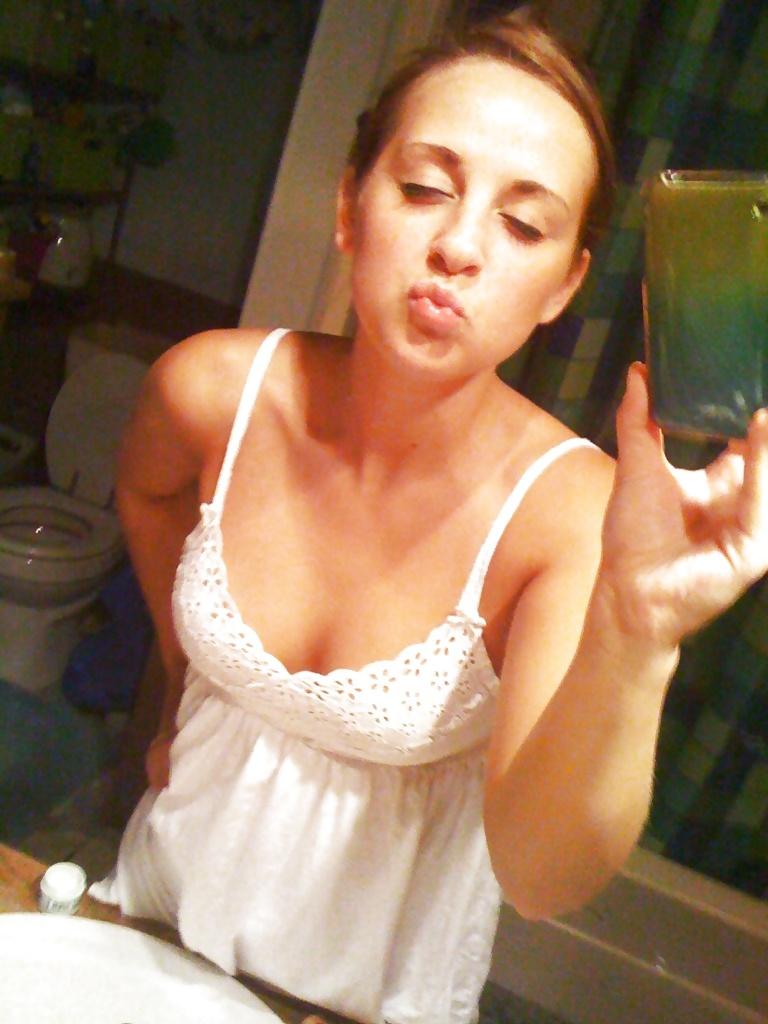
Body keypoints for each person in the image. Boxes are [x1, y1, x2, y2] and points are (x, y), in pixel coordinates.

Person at [90, 8, 768, 1023]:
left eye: (523, 224)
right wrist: (184, 678)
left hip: (366, 999)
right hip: (156, 912)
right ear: (349, 207)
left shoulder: (569, 514)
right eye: (423, 188)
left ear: (565, 285)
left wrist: (638, 633)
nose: (457, 245)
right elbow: (146, 494)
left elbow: (540, 876)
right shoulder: (209, 391)